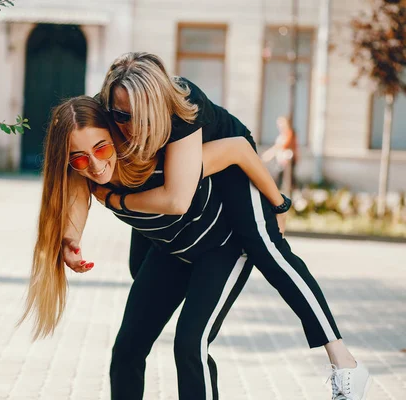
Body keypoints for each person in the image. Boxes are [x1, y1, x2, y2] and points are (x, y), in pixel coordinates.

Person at [91, 52, 369, 400]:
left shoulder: (180, 107)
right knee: (140, 281)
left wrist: (278, 202)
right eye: (120, 116)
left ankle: (343, 359)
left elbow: (227, 158)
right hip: (191, 185)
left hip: (235, 167)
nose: (131, 126)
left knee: (267, 249)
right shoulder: (104, 116)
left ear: (159, 106)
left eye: (142, 116)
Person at [21, 96, 295, 399]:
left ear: (117, 133)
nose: (96, 165)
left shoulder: (155, 138)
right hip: (168, 249)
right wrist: (71, 239)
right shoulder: (86, 147)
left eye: (101, 149)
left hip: (219, 245)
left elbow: (237, 149)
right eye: (81, 159)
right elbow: (77, 184)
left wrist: (279, 204)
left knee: (191, 346)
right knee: (127, 350)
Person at [262, 116, 299, 191]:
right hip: (280, 161)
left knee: (283, 180)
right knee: (282, 180)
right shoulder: (281, 135)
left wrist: (269, 154)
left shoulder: (290, 134)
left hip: (287, 162)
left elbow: (282, 146)